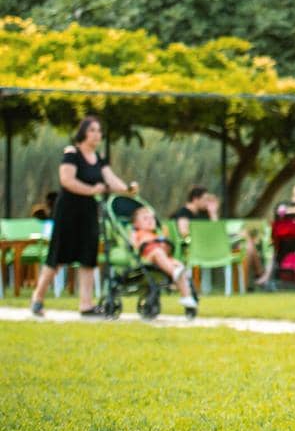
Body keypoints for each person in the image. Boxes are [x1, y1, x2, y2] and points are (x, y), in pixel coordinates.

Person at [30, 115, 129, 318]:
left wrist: (128, 189)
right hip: (68, 211)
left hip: (88, 212)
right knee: (57, 256)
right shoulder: (72, 153)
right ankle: (38, 298)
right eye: (92, 130)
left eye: (99, 130)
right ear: (83, 132)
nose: (96, 134)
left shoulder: (99, 159)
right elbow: (67, 180)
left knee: (88, 257)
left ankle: (86, 305)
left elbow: (111, 180)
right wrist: (93, 189)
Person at [128, 206, 199, 312]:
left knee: (178, 265)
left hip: (162, 259)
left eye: (152, 218)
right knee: (158, 253)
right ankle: (175, 273)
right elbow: (134, 245)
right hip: (147, 257)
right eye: (145, 218)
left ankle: (186, 297)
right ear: (136, 224)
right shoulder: (137, 233)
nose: (150, 221)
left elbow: (167, 249)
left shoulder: (156, 234)